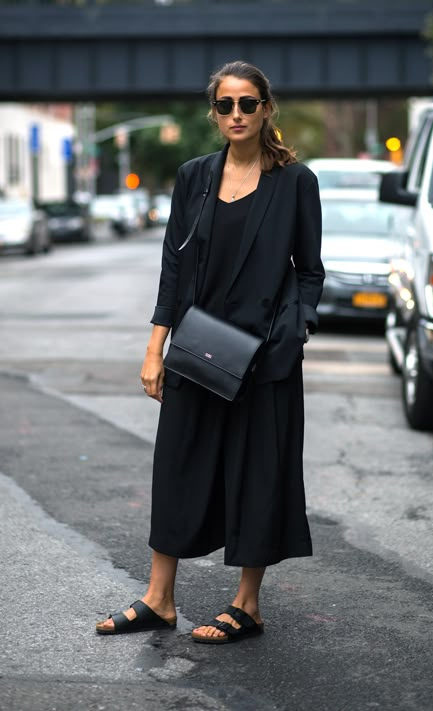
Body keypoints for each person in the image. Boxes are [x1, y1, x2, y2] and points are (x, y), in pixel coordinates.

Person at [96, 60, 325, 644]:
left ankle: (246, 604)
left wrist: (292, 332)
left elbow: (310, 271)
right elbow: (173, 267)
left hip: (264, 354)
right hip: (197, 347)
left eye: (248, 104)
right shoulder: (194, 176)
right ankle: (160, 598)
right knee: (177, 465)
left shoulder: (295, 181)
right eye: (226, 105)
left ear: (266, 109)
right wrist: (155, 347)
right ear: (213, 113)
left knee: (258, 473)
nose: (237, 115)